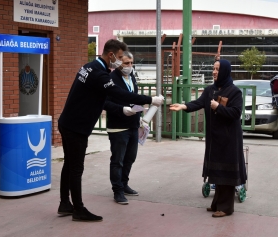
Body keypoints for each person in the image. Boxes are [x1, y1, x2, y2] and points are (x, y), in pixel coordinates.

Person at [57, 39, 163, 222]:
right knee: (76, 168)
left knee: (69, 165)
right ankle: (78, 209)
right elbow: (119, 94)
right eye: (120, 57)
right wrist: (150, 99)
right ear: (111, 55)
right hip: (76, 127)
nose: (121, 61)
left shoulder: (89, 67)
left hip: (68, 122)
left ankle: (65, 204)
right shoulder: (99, 74)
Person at [169, 59, 247, 218]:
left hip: (229, 139)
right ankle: (217, 204)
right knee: (218, 170)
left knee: (227, 172)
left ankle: (226, 208)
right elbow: (199, 103)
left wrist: (218, 107)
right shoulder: (210, 90)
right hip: (214, 138)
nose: (214, 71)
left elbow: (236, 113)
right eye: (213, 68)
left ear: (225, 71)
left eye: (218, 69)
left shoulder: (234, 92)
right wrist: (184, 106)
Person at [103, 51, 142, 205]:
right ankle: (117, 190)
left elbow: (133, 99)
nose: (129, 66)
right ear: (119, 63)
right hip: (118, 126)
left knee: (130, 157)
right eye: (126, 63)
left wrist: (141, 115)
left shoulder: (131, 77)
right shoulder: (111, 79)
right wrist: (122, 109)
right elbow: (105, 102)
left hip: (133, 125)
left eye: (131, 63)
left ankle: (124, 184)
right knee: (117, 160)